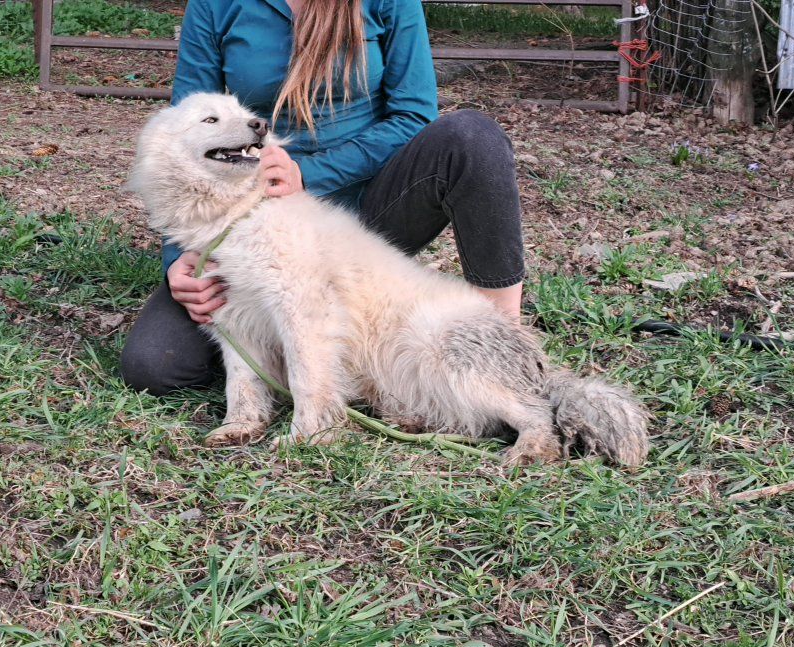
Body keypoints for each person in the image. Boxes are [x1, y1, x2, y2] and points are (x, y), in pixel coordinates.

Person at [120, 0, 526, 396]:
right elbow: (183, 134)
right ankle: (309, 353)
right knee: (155, 365)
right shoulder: (214, 5)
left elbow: (414, 114)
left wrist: (308, 174)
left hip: (371, 210)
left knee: (472, 137)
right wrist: (178, 262)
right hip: (255, 216)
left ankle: (502, 340)